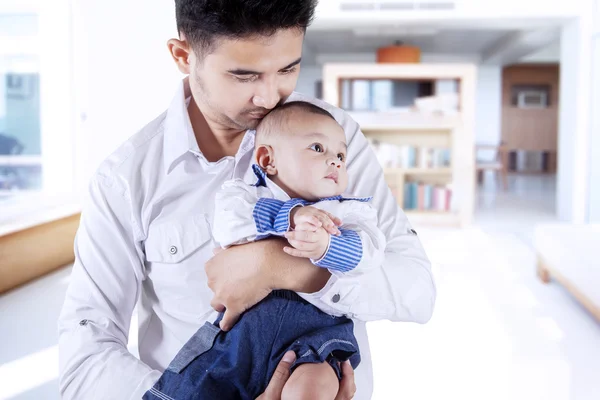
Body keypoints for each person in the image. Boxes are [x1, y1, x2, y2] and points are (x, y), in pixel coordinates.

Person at [57, 1, 436, 399]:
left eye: (288, 68)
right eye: (244, 75)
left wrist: (280, 267)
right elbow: (86, 354)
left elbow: (417, 291)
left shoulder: (332, 138)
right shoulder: (124, 179)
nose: (270, 97)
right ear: (183, 56)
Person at [143, 101, 386, 400]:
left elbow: (370, 251)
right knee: (190, 389)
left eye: (340, 155)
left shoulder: (348, 212)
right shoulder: (243, 196)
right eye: (318, 149)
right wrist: (291, 216)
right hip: (239, 337)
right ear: (268, 159)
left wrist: (328, 245)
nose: (335, 161)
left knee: (313, 389)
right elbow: (229, 224)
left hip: (314, 338)